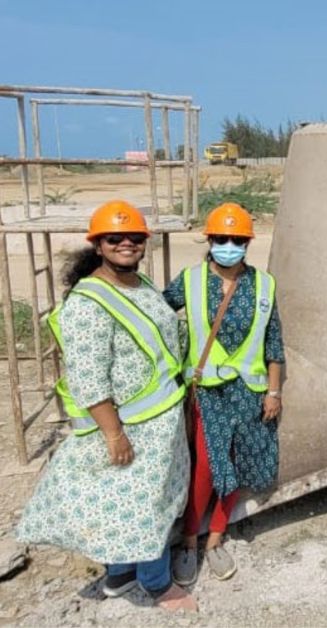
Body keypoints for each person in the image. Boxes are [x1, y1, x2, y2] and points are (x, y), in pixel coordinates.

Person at [16, 200, 197, 611]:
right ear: (98, 245)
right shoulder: (87, 304)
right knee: (146, 508)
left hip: (160, 419)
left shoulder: (141, 285)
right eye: (115, 238)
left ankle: (120, 573)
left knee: (137, 503)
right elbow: (88, 379)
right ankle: (156, 584)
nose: (126, 244)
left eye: (135, 237)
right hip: (131, 424)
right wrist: (113, 434)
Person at [164, 202, 284, 584]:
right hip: (208, 393)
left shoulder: (263, 284)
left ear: (247, 243)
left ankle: (215, 539)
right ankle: (188, 541)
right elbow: (156, 316)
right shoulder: (190, 280)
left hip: (249, 392)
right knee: (205, 469)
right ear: (209, 240)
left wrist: (274, 391)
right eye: (221, 238)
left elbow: (273, 343)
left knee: (239, 463)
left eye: (237, 239)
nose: (229, 245)